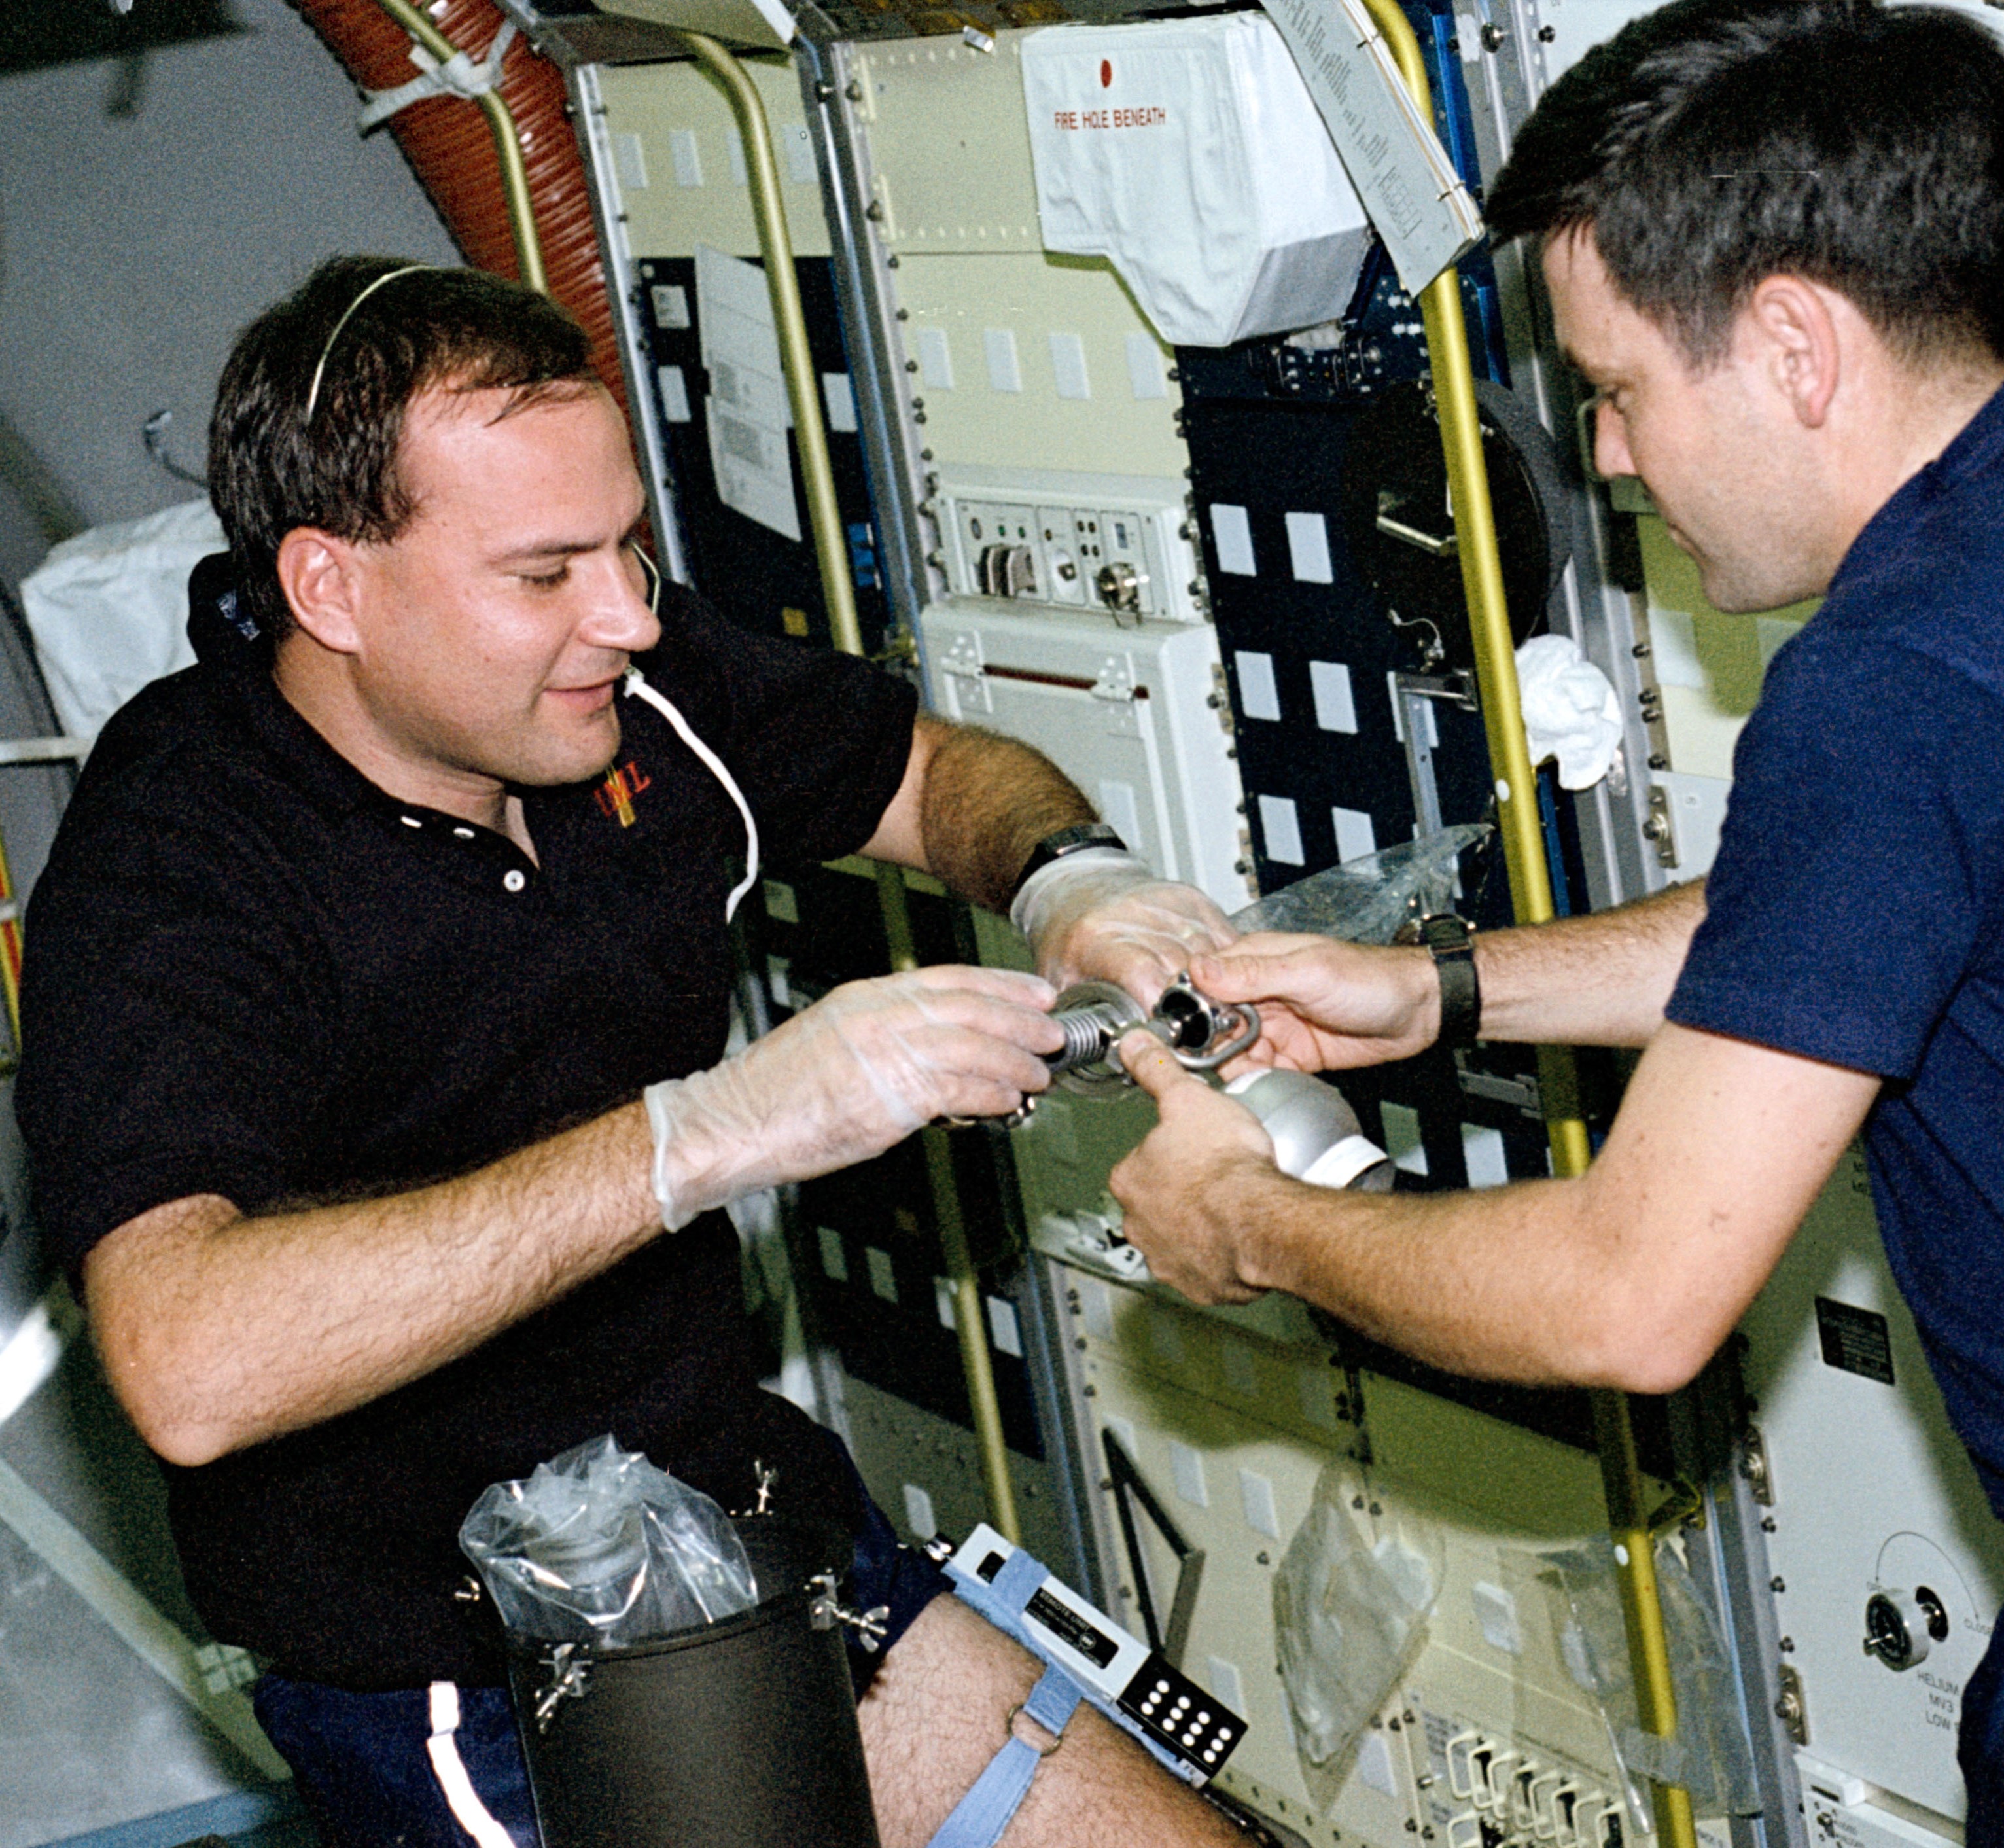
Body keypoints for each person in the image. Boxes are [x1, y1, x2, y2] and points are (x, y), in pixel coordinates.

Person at [1107, 3, 2004, 1841]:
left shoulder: (1893, 681)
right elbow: (1840, 940)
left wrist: (1251, 1219)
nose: (1603, 456)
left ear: (1795, 344)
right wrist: (1431, 991)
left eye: (1615, 384)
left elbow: (1630, 1298)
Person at [17, 257, 1249, 1848]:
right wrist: (701, 1134)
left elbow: (930, 772)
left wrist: (1071, 877)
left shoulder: (642, 692)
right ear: (330, 587)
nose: (628, 614)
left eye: (628, 547)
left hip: (752, 1526)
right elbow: (187, 1361)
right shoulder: (181, 857)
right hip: (464, 1662)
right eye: (545, 573)